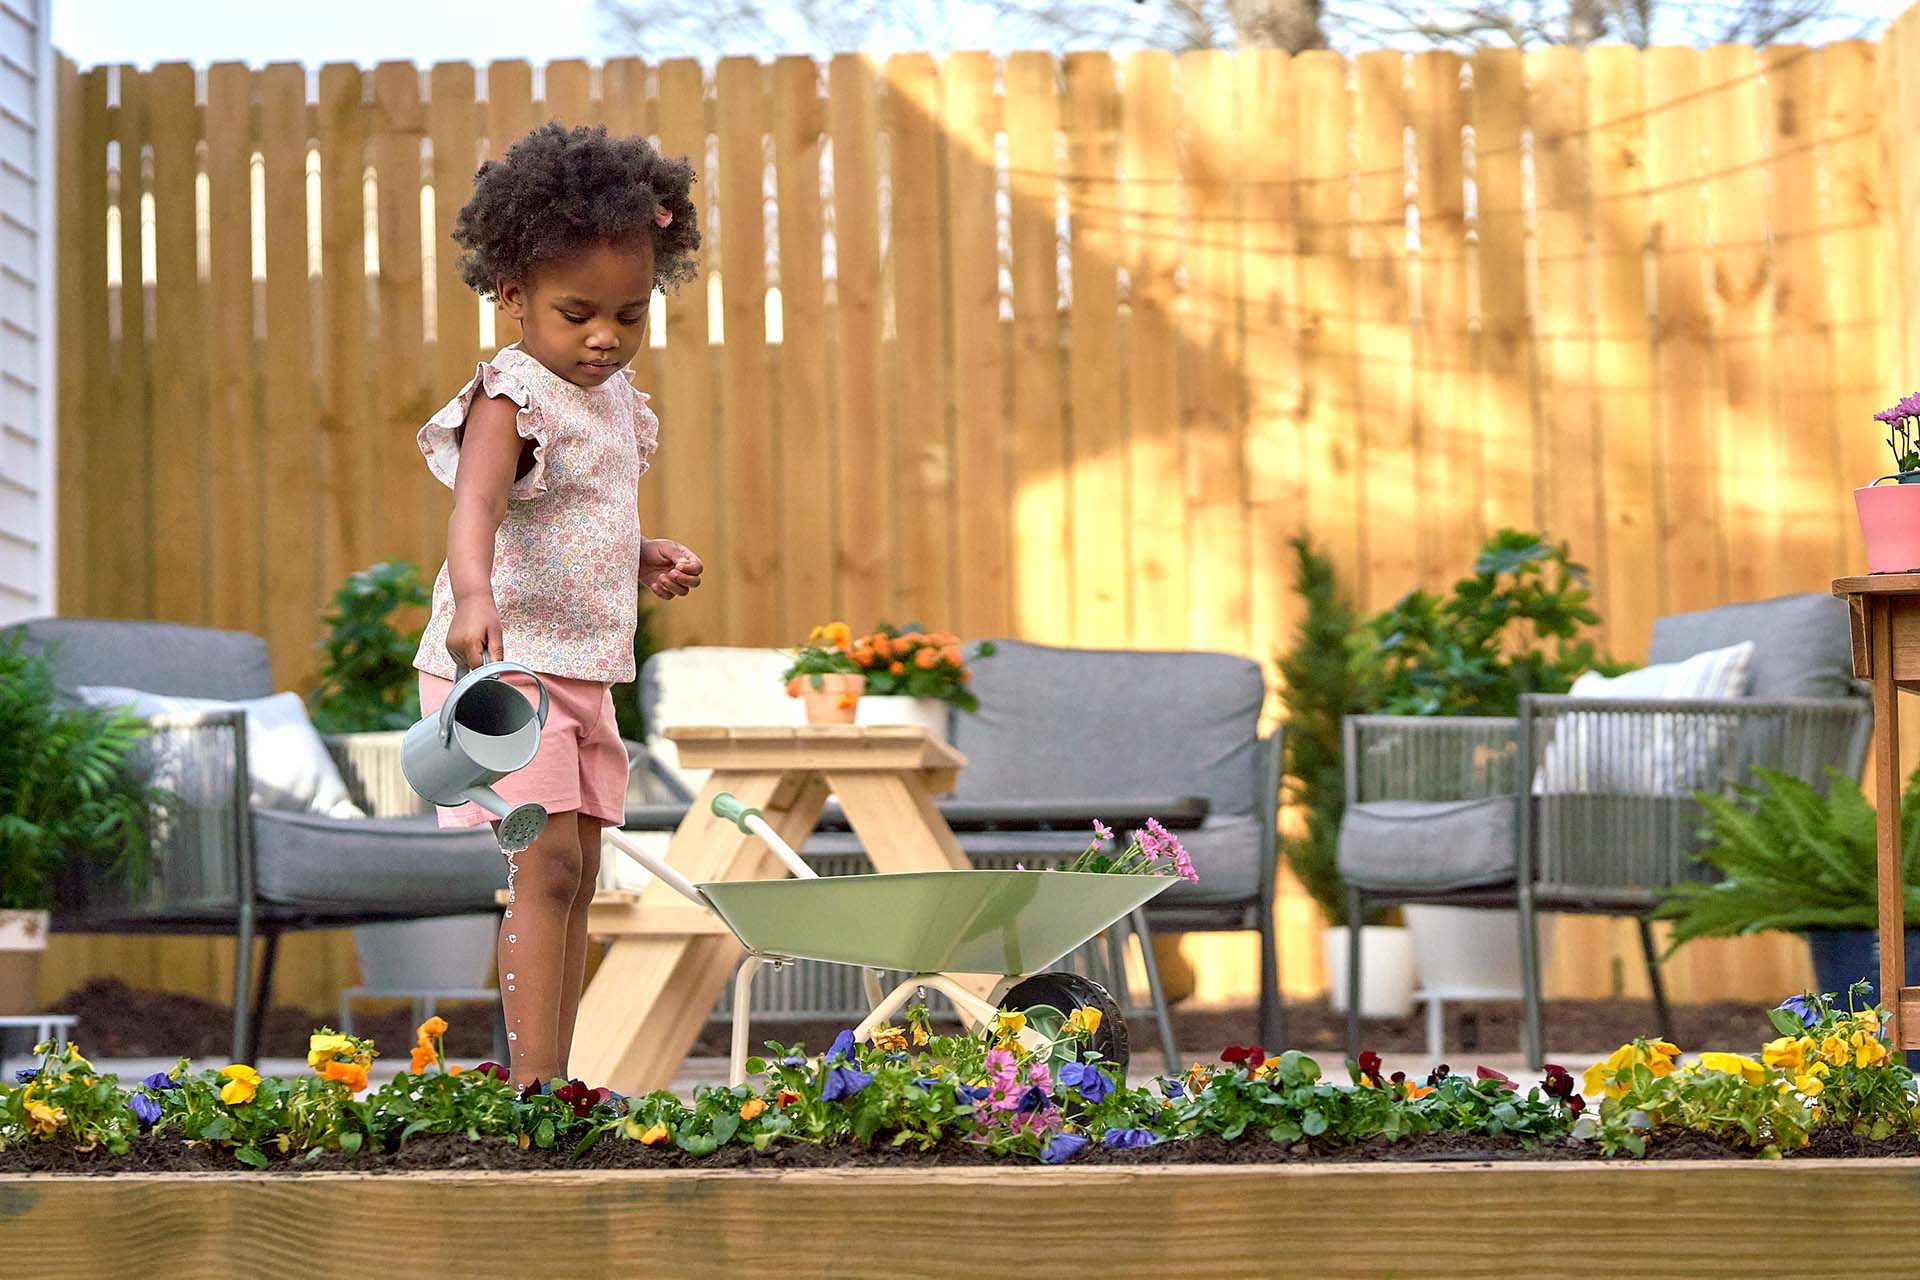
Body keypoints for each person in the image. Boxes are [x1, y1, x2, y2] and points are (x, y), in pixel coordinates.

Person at [413, 122, 703, 1093]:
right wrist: (472, 591)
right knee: (541, 871)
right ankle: (531, 1087)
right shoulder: (512, 396)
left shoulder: (620, 403)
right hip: (512, 669)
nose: (604, 336)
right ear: (512, 294)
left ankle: (557, 1080)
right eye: (577, 311)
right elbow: (478, 504)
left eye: (630, 314)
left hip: (585, 668)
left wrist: (646, 550)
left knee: (579, 874)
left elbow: (590, 512)